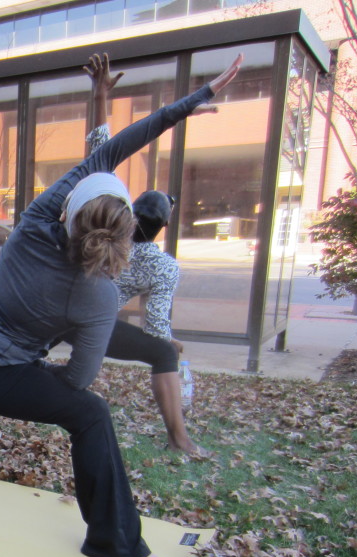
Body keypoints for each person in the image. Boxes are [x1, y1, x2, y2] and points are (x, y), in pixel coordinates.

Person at [0, 53, 242, 557]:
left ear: (69, 209)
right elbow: (78, 380)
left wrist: (195, 100)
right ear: (129, 231)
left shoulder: (36, 222)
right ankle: (117, 545)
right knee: (91, 413)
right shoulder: (100, 296)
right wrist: (32, 375)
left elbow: (118, 146)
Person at [81, 53, 209, 456]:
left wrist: (100, 96)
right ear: (162, 227)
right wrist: (170, 343)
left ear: (132, 210)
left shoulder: (110, 215)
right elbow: (155, 329)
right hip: (91, 324)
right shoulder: (162, 266)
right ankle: (179, 438)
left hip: (63, 311)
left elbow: (101, 147)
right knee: (161, 352)